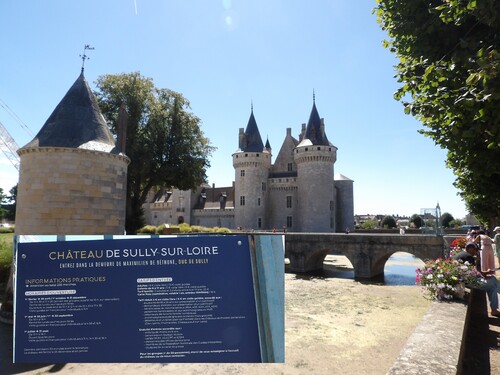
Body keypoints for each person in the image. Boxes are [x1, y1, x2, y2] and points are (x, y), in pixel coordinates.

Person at [453, 242, 500, 317]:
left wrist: (484, 274)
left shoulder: (462, 254)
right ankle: (494, 310)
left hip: (462, 280)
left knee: (492, 281)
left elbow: (471, 273)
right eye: (475, 250)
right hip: (466, 282)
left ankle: (494, 309)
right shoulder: (469, 257)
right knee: (492, 285)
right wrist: (484, 276)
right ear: (471, 249)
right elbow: (472, 275)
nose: (476, 252)